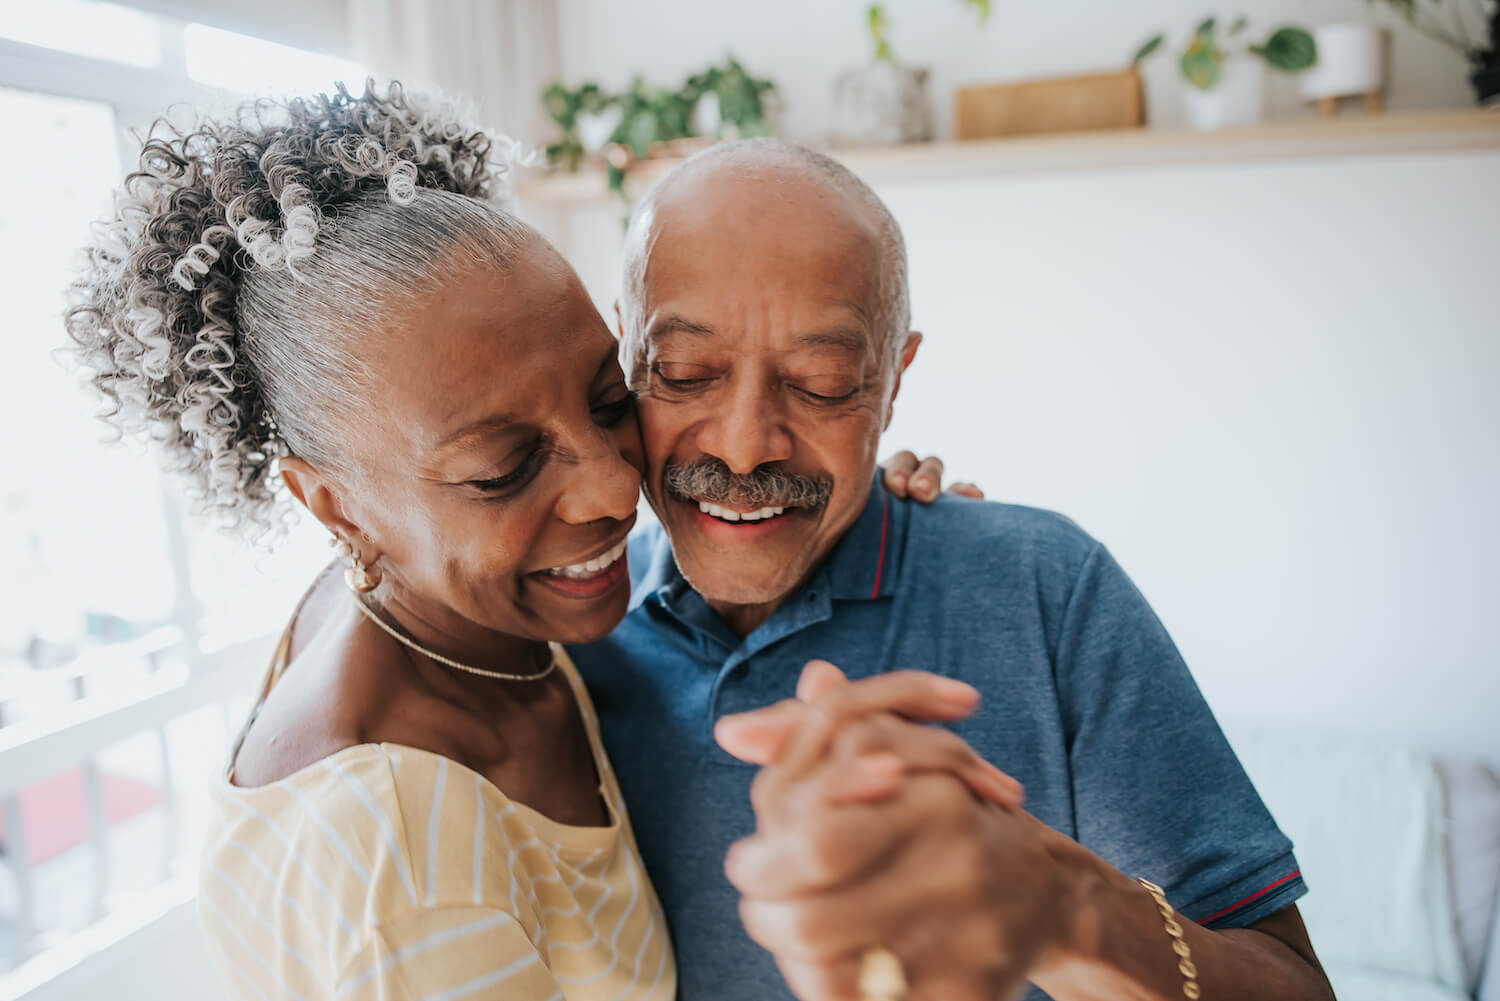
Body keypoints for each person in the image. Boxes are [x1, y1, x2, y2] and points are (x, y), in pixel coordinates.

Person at [63, 83, 995, 1001]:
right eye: (506, 466)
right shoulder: (402, 861)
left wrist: (850, 482)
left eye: (607, 400)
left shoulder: (454, 610)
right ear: (336, 508)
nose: (614, 487)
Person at [569, 138, 1337, 1001]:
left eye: (823, 383)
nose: (745, 444)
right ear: (626, 352)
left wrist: (1066, 906)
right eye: (685, 372)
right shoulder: (567, 641)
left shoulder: (1047, 588)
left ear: (893, 381)